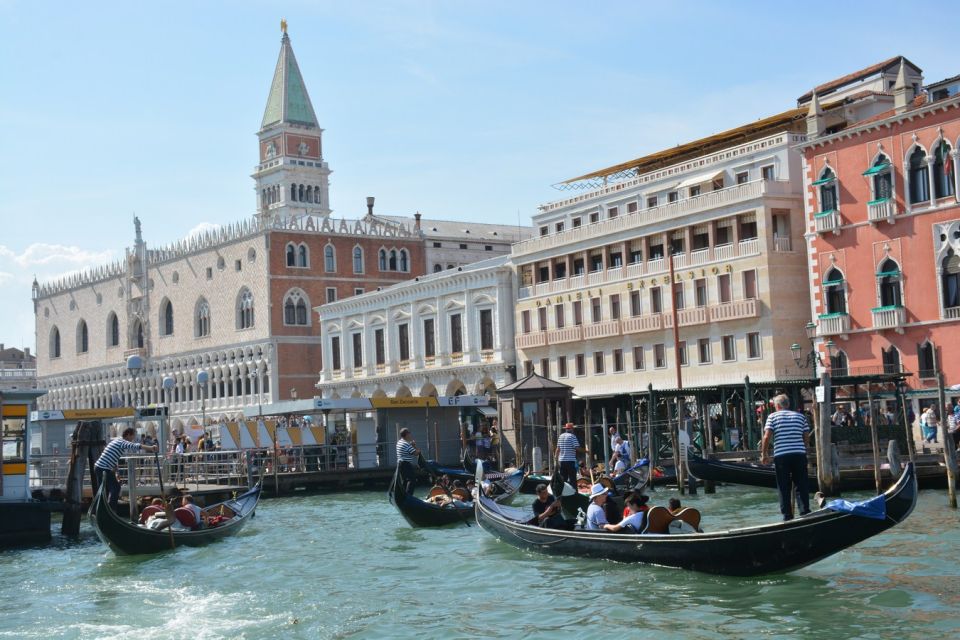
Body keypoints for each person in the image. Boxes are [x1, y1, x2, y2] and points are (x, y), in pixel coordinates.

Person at [760, 394, 811, 521]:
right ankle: (805, 512)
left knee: (783, 486)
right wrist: (801, 448)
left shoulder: (772, 417)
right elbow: (806, 436)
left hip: (781, 456)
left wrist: (764, 454)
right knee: (801, 484)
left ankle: (787, 516)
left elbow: (766, 437)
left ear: (777, 406)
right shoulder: (800, 416)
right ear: (788, 405)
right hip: (799, 454)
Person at [94, 427, 158, 511]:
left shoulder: (116, 440)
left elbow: (112, 456)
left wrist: (116, 471)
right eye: (133, 436)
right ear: (128, 435)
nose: (133, 439)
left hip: (101, 467)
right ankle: (110, 510)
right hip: (104, 468)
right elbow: (134, 446)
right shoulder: (122, 442)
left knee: (104, 491)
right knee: (115, 488)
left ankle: (101, 510)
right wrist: (150, 448)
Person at [555, 423, 584, 489]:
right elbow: (577, 448)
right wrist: (586, 451)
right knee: (573, 480)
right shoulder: (572, 436)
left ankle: (563, 495)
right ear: (571, 429)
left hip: (562, 461)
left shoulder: (560, 436)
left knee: (563, 480)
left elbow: (557, 450)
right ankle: (574, 495)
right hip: (570, 461)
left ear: (566, 429)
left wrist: (556, 460)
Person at [396, 428, 421, 494]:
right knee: (412, 480)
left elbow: (407, 449)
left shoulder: (399, 442)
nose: (410, 435)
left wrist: (411, 445)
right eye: (409, 433)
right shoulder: (406, 444)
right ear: (406, 434)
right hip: (405, 464)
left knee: (405, 481)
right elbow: (416, 453)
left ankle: (404, 495)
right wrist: (415, 446)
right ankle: (408, 496)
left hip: (400, 464)